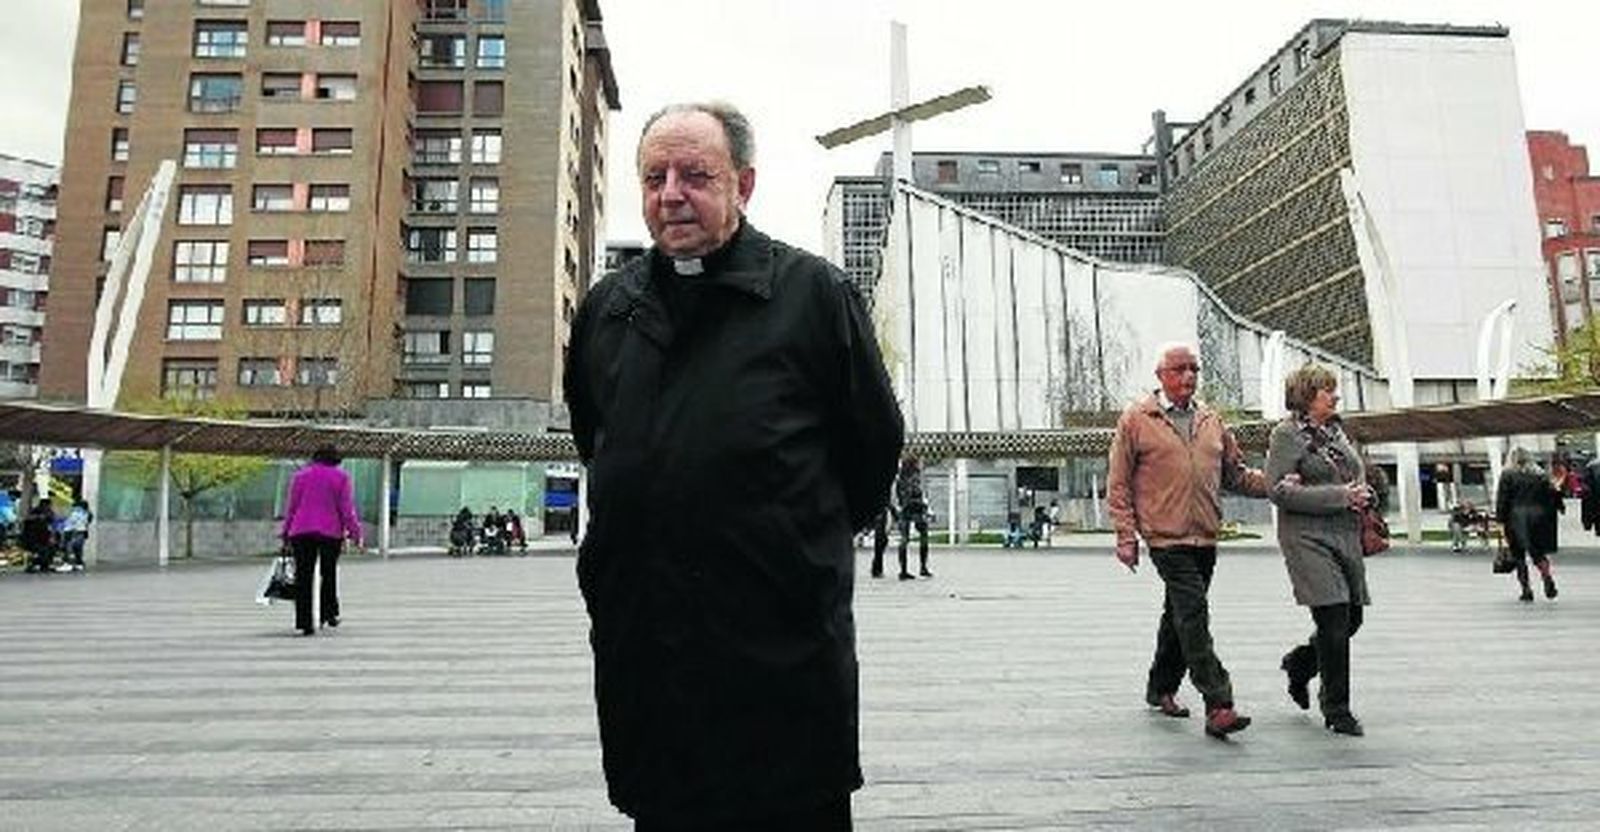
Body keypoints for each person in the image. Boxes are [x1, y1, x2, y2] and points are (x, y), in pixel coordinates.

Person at [564, 101, 903, 830]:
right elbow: (596, 438)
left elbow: (872, 449)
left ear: (743, 185)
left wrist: (791, 546)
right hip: (647, 649)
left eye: (696, 174)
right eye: (654, 177)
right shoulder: (606, 310)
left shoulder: (815, 296)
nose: (671, 194)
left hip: (777, 652)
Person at [1106, 343, 1266, 739]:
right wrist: (1126, 535)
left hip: (1205, 536)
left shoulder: (1212, 420)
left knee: (1178, 617)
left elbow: (1236, 475)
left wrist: (1277, 484)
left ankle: (1160, 687)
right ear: (1160, 375)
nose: (1188, 376)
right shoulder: (1137, 419)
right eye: (1179, 369)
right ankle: (1219, 703)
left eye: (1194, 369)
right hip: (1165, 537)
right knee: (1194, 614)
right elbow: (1119, 482)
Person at [1265, 365, 1374, 737]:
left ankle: (1300, 664)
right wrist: (1341, 495)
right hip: (1307, 538)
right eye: (1327, 390)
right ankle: (1337, 709)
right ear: (1307, 396)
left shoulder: (1336, 432)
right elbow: (1277, 490)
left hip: (1345, 534)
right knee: (1333, 619)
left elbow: (1353, 475)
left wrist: (1364, 492)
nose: (1335, 395)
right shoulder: (1286, 435)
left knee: (1352, 619)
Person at [280, 444, 362, 636]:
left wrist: (285, 532)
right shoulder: (341, 477)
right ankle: (329, 613)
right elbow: (346, 509)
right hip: (330, 532)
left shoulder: (300, 477)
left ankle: (304, 622)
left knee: (303, 577)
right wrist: (355, 533)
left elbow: (292, 507)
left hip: (301, 531)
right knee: (329, 573)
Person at [1495, 447, 1561, 603]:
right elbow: (1552, 497)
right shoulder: (1540, 476)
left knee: (1518, 555)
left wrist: (1500, 519)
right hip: (1539, 517)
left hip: (1515, 517)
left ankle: (1526, 590)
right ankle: (1547, 577)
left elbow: (1502, 499)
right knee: (1538, 553)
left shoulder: (1508, 475)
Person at [894, 455, 931, 579]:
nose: (920, 465)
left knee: (904, 539)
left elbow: (899, 496)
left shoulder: (900, 479)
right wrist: (924, 505)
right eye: (918, 463)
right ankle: (923, 568)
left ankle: (903, 570)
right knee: (924, 536)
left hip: (904, 510)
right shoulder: (915, 477)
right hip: (917, 510)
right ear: (914, 464)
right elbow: (916, 493)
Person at [20, 498, 57, 574]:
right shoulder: (37, 514)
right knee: (43, 551)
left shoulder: (46, 514)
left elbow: (51, 523)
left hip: (42, 538)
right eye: (49, 505)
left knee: (48, 550)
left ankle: (42, 565)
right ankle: (37, 565)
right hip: (35, 539)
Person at [59, 499, 93, 572]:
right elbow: (87, 522)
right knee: (78, 549)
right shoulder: (87, 513)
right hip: (81, 531)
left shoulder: (76, 512)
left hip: (72, 531)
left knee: (69, 547)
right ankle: (78, 563)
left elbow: (72, 522)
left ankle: (68, 563)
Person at [868, 504, 894, 578]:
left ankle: (876, 569)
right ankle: (877, 570)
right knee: (879, 551)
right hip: (880, 532)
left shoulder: (882, 511)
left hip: (879, 532)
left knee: (878, 551)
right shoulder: (884, 511)